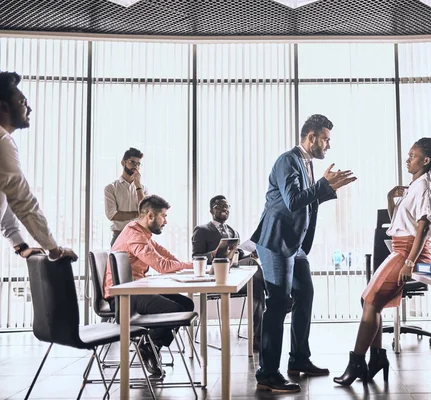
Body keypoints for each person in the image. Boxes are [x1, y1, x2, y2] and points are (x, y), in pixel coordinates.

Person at [251, 114, 356, 393]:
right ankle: (267, 374)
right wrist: (324, 185)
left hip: (295, 245)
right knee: (278, 303)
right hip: (276, 241)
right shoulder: (288, 160)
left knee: (305, 294)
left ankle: (299, 359)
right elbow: (294, 200)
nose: (328, 145)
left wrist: (327, 188)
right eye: (326, 139)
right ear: (311, 138)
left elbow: (306, 198)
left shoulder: (306, 163)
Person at [334, 137, 431, 386]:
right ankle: (375, 358)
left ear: (426, 160)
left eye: (413, 155)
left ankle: (357, 363)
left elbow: (423, 226)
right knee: (368, 300)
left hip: (410, 252)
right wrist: (390, 200)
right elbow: (398, 224)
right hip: (400, 248)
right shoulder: (415, 185)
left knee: (371, 301)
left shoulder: (426, 186)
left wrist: (410, 261)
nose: (408, 159)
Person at [103, 194, 194, 377]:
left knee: (186, 305)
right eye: (164, 216)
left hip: (134, 290)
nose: (165, 221)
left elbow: (165, 256)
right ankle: (149, 348)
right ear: (150, 216)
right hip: (122, 296)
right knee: (173, 309)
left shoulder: (142, 233)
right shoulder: (134, 235)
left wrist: (188, 267)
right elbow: (161, 266)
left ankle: (151, 346)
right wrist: (191, 266)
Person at [0, 71, 77, 262]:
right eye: (22, 102)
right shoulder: (2, 140)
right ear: (4, 107)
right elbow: (23, 201)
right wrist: (54, 249)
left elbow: (6, 199)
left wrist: (20, 245)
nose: (29, 108)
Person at [191, 194, 266, 350]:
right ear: (211, 210)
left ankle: (257, 338)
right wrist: (214, 253)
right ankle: (276, 294)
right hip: (215, 279)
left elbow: (236, 256)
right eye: (219, 206)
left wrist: (251, 254)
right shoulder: (202, 230)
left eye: (226, 206)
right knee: (254, 269)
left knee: (257, 285)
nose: (224, 209)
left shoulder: (232, 231)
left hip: (234, 277)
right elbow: (196, 257)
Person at [105, 147, 148, 246]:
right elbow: (112, 215)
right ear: (123, 163)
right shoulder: (110, 188)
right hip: (119, 237)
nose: (135, 166)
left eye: (138, 164)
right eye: (132, 162)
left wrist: (138, 187)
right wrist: (137, 214)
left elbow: (145, 212)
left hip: (138, 237)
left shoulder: (143, 189)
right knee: (117, 262)